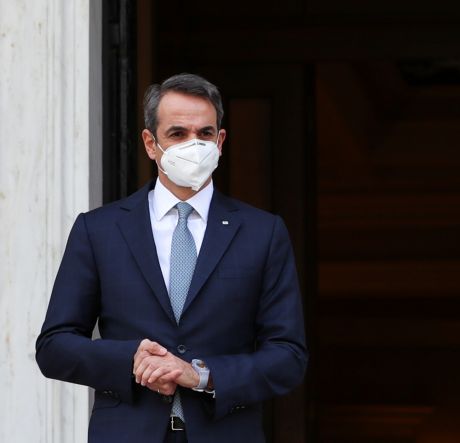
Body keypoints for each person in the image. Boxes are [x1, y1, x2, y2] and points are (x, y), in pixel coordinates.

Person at [36, 73, 308, 443]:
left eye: (205, 134)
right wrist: (130, 360)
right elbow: (54, 347)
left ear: (221, 141)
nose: (194, 145)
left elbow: (288, 356)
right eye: (178, 134)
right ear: (151, 143)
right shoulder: (98, 230)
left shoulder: (263, 233)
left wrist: (202, 375)